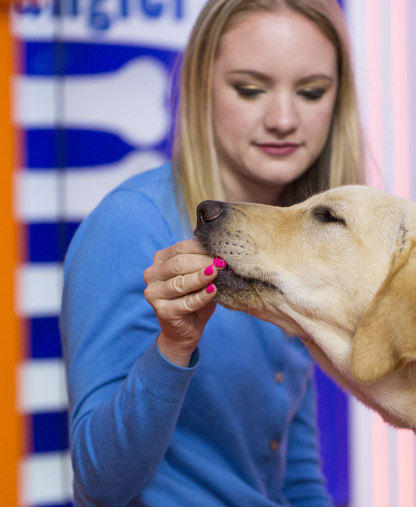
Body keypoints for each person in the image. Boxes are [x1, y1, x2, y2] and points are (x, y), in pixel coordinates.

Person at [60, 0, 365, 504]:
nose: (284, 118)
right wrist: (173, 348)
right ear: (202, 86)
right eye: (250, 89)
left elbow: (295, 471)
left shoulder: (298, 242)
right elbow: (99, 486)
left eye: (312, 92)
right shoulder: (132, 223)